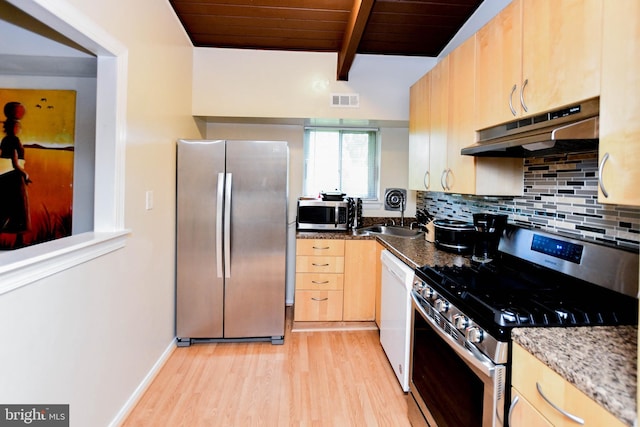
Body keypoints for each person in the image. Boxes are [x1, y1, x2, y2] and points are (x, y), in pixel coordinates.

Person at [0, 101, 31, 247]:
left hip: (6, 176)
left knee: (6, 208)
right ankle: (19, 241)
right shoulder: (13, 140)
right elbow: (15, 163)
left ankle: (19, 241)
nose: (19, 128)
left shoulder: (5, 140)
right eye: (17, 126)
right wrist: (25, 174)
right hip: (14, 177)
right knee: (19, 209)